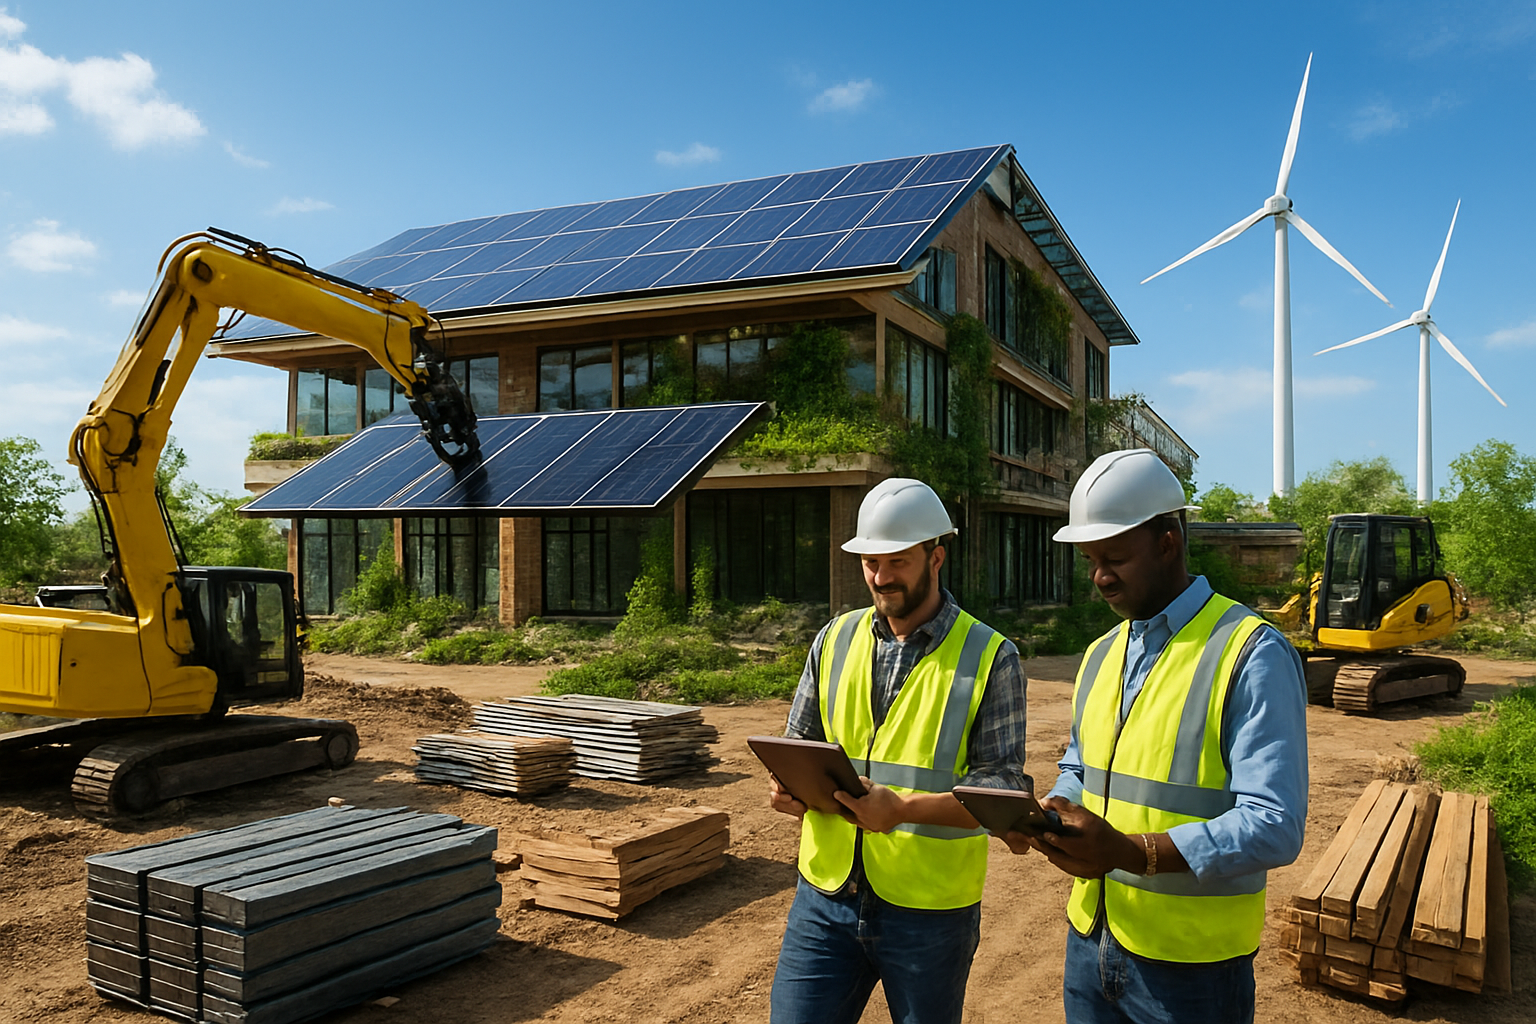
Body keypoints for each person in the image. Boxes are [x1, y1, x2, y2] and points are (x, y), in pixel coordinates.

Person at [1004, 449, 1308, 1024]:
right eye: (1091, 560)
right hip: (1092, 938)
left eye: (1115, 558)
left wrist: (1132, 852)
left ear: (1168, 542)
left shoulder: (1250, 652)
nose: (1100, 576)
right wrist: (1054, 810)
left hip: (1192, 967)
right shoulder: (1101, 653)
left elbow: (1275, 824)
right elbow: (1080, 766)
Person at [767, 477, 1029, 1024]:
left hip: (930, 911)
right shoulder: (834, 638)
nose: (881, 577)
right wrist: (789, 785)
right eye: (871, 563)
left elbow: (1002, 791)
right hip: (825, 895)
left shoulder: (990, 656)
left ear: (936, 557)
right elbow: (798, 743)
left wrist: (904, 809)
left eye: (898, 562)